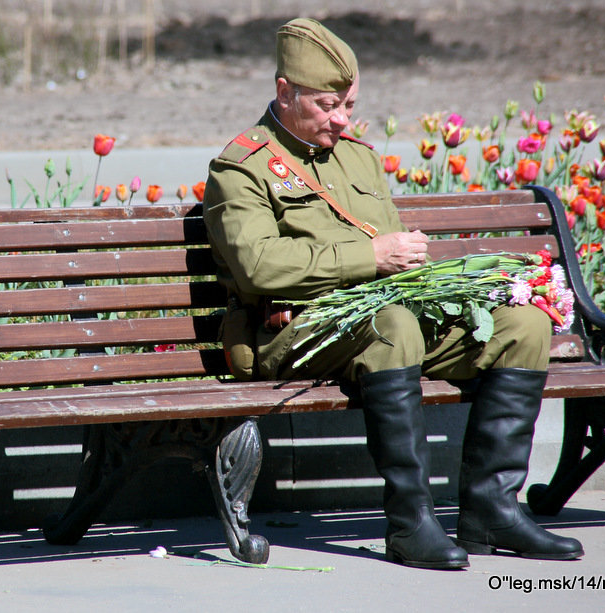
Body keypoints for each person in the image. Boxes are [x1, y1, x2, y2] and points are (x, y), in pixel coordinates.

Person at [202, 17, 584, 570]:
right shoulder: (241, 169)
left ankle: (493, 511)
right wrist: (373, 257)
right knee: (394, 327)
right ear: (285, 91)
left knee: (521, 326)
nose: (342, 119)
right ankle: (410, 523)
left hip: (379, 317)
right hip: (289, 330)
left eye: (349, 105)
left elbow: (385, 249)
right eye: (328, 105)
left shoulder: (357, 157)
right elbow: (258, 265)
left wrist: (412, 262)